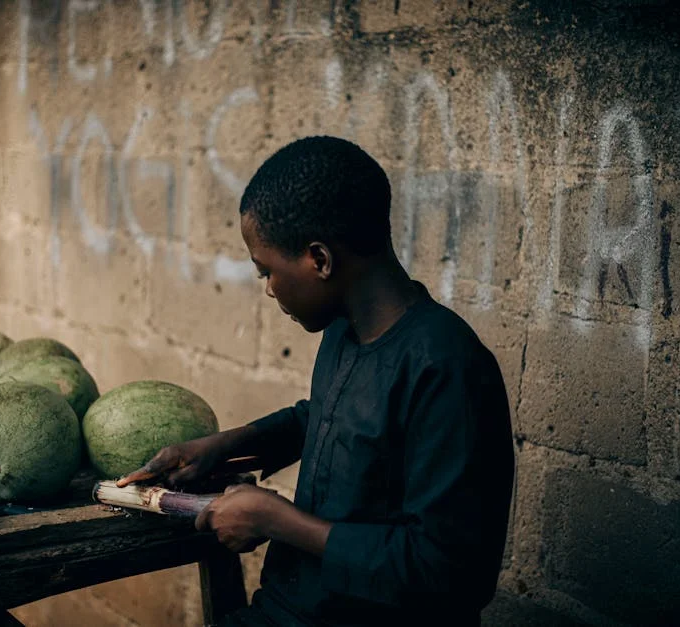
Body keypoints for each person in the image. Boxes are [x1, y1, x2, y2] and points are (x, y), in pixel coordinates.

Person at [117, 136, 515, 626]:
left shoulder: (448, 368)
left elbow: (452, 573)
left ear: (320, 260)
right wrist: (226, 446)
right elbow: (329, 417)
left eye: (267, 271)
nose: (267, 290)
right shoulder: (345, 330)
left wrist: (276, 520)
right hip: (288, 609)